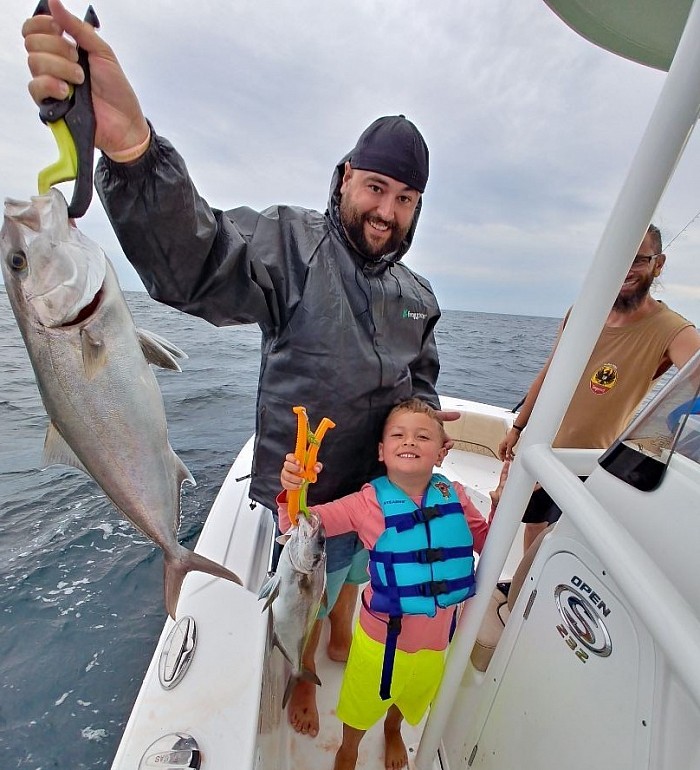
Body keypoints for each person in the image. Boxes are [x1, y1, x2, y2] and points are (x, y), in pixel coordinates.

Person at [22, 0, 459, 737]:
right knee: (304, 595)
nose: (388, 210)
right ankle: (302, 669)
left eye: (406, 198)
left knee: (353, 581)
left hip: (376, 497)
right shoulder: (289, 245)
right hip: (302, 505)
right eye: (377, 188)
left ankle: (343, 624)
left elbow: (420, 384)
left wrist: (420, 438)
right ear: (346, 177)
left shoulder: (420, 297)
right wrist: (131, 152)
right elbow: (198, 260)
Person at [279, 399, 508, 770]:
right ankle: (348, 748)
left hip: (438, 642)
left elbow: (488, 542)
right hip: (380, 644)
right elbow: (300, 524)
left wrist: (501, 503)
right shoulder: (366, 502)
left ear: (441, 451)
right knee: (359, 706)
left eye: (423, 436)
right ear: (382, 452)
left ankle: (392, 729)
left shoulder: (455, 496)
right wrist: (294, 490)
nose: (410, 442)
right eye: (398, 435)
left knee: (410, 698)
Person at [499, 224, 700, 550]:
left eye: (637, 260)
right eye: (618, 259)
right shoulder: (581, 313)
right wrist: (518, 427)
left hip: (590, 461)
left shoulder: (672, 329)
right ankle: (521, 594)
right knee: (532, 525)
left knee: (561, 538)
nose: (625, 269)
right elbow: (549, 373)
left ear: (658, 264)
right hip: (541, 446)